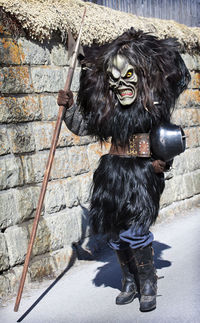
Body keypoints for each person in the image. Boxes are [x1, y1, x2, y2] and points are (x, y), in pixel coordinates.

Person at [57, 28, 190, 312]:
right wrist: (69, 107)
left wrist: (161, 164)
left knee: (136, 232)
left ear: (142, 77)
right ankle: (129, 281)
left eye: (128, 76)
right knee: (116, 234)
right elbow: (83, 125)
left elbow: (166, 140)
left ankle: (148, 282)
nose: (121, 85)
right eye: (114, 79)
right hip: (112, 174)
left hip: (143, 173)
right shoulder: (109, 110)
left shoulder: (151, 108)